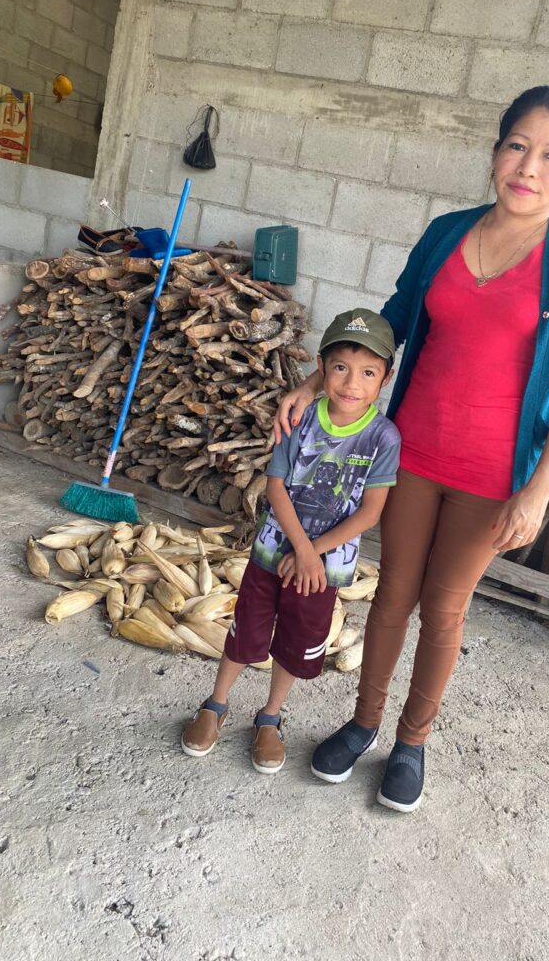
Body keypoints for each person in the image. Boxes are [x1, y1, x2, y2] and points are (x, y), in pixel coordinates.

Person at [275, 85, 549, 812]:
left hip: (492, 475)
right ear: (495, 153)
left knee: (445, 607)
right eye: (516, 146)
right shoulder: (446, 234)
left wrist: (540, 488)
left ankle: (412, 741)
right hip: (409, 457)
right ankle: (364, 723)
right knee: (393, 592)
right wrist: (312, 380)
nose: (528, 167)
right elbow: (389, 324)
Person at [181, 308, 401, 774]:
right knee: (246, 629)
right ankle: (215, 704)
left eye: (368, 373)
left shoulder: (384, 437)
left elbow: (371, 511)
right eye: (340, 367)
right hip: (272, 553)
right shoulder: (301, 417)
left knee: (295, 641)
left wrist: (312, 555)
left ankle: (270, 718)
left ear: (385, 378)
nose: (352, 383)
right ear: (320, 367)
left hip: (323, 569)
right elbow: (277, 485)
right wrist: (301, 549)